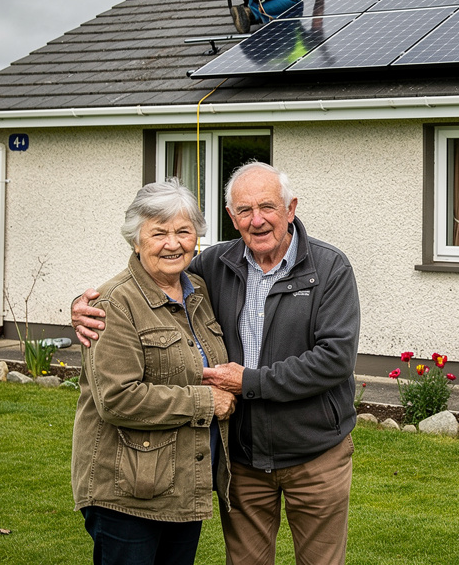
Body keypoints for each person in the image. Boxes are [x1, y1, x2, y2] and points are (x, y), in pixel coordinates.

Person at [72, 162, 361, 565]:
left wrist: (250, 383)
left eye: (268, 207)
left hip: (316, 456)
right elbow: (142, 278)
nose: (257, 220)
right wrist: (84, 304)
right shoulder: (214, 266)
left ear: (291, 208)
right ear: (231, 217)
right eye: (244, 210)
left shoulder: (329, 268)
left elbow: (336, 359)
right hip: (242, 461)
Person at [71, 179, 237, 565]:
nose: (173, 243)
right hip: (126, 490)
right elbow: (117, 399)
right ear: (135, 240)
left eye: (183, 231)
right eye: (159, 232)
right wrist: (206, 401)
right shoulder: (115, 302)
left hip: (182, 485)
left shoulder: (197, 290)